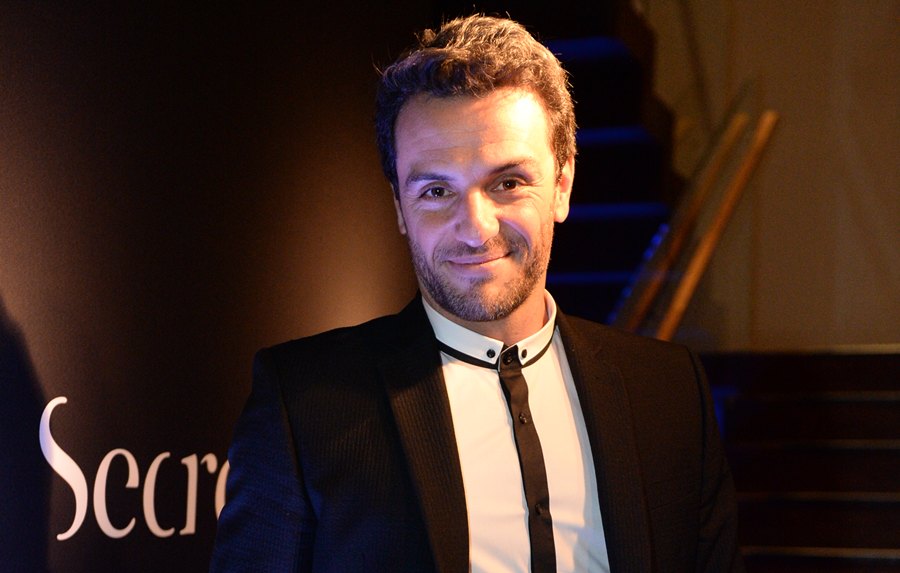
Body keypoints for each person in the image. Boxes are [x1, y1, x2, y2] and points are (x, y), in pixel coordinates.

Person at [210, 15, 743, 573]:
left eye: (507, 183)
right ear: (399, 208)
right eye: (437, 190)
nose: (475, 229)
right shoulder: (303, 403)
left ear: (562, 185)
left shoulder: (670, 393)